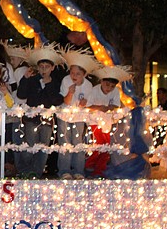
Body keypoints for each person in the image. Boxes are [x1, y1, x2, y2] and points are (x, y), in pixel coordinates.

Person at [15, 44, 64, 178]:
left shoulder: (55, 82)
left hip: (47, 120)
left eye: (47, 67)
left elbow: (57, 100)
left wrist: (48, 84)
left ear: (52, 68)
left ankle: (37, 172)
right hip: (31, 119)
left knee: (43, 148)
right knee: (30, 146)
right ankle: (27, 171)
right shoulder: (32, 79)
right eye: (41, 67)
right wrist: (25, 78)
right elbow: (21, 94)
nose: (44, 70)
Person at [56, 48, 99, 179]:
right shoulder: (66, 80)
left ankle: (79, 170)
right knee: (65, 142)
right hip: (64, 115)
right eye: (72, 72)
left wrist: (84, 103)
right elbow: (66, 101)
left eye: (78, 73)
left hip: (79, 117)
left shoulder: (88, 85)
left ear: (84, 74)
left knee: (78, 142)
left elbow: (88, 103)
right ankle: (64, 171)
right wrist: (70, 92)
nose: (73, 76)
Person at [86, 65, 132, 176]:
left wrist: (110, 108)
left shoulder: (115, 91)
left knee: (106, 144)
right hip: (95, 120)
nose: (109, 88)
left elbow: (116, 105)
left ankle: (98, 168)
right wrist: (100, 107)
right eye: (107, 85)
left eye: (111, 86)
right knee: (102, 143)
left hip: (107, 121)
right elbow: (88, 105)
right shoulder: (94, 90)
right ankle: (91, 165)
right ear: (101, 81)